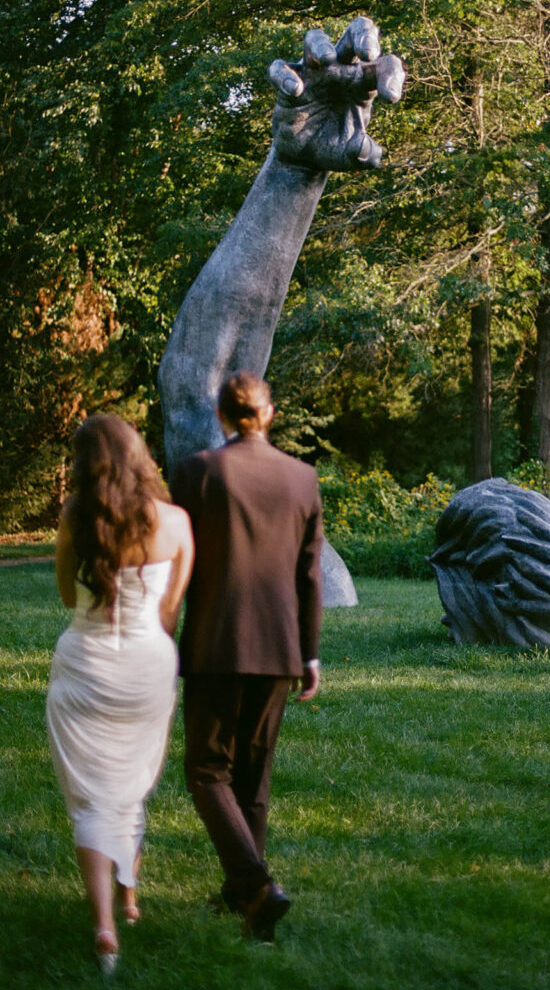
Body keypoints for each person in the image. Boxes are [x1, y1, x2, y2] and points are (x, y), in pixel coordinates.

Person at [170, 371, 322, 942]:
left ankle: (255, 885)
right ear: (269, 413)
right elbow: (309, 576)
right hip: (280, 646)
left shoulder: (196, 472)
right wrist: (310, 655)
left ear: (224, 414)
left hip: (214, 642)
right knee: (253, 776)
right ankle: (248, 901)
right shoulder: (302, 478)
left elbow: (177, 559)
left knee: (207, 771)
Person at [46, 414, 194, 975]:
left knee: (91, 797)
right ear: (139, 456)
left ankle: (104, 925)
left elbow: (67, 596)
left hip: (83, 667)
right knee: (128, 787)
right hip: (146, 668)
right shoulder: (176, 522)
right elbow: (169, 609)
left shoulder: (73, 519)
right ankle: (129, 899)